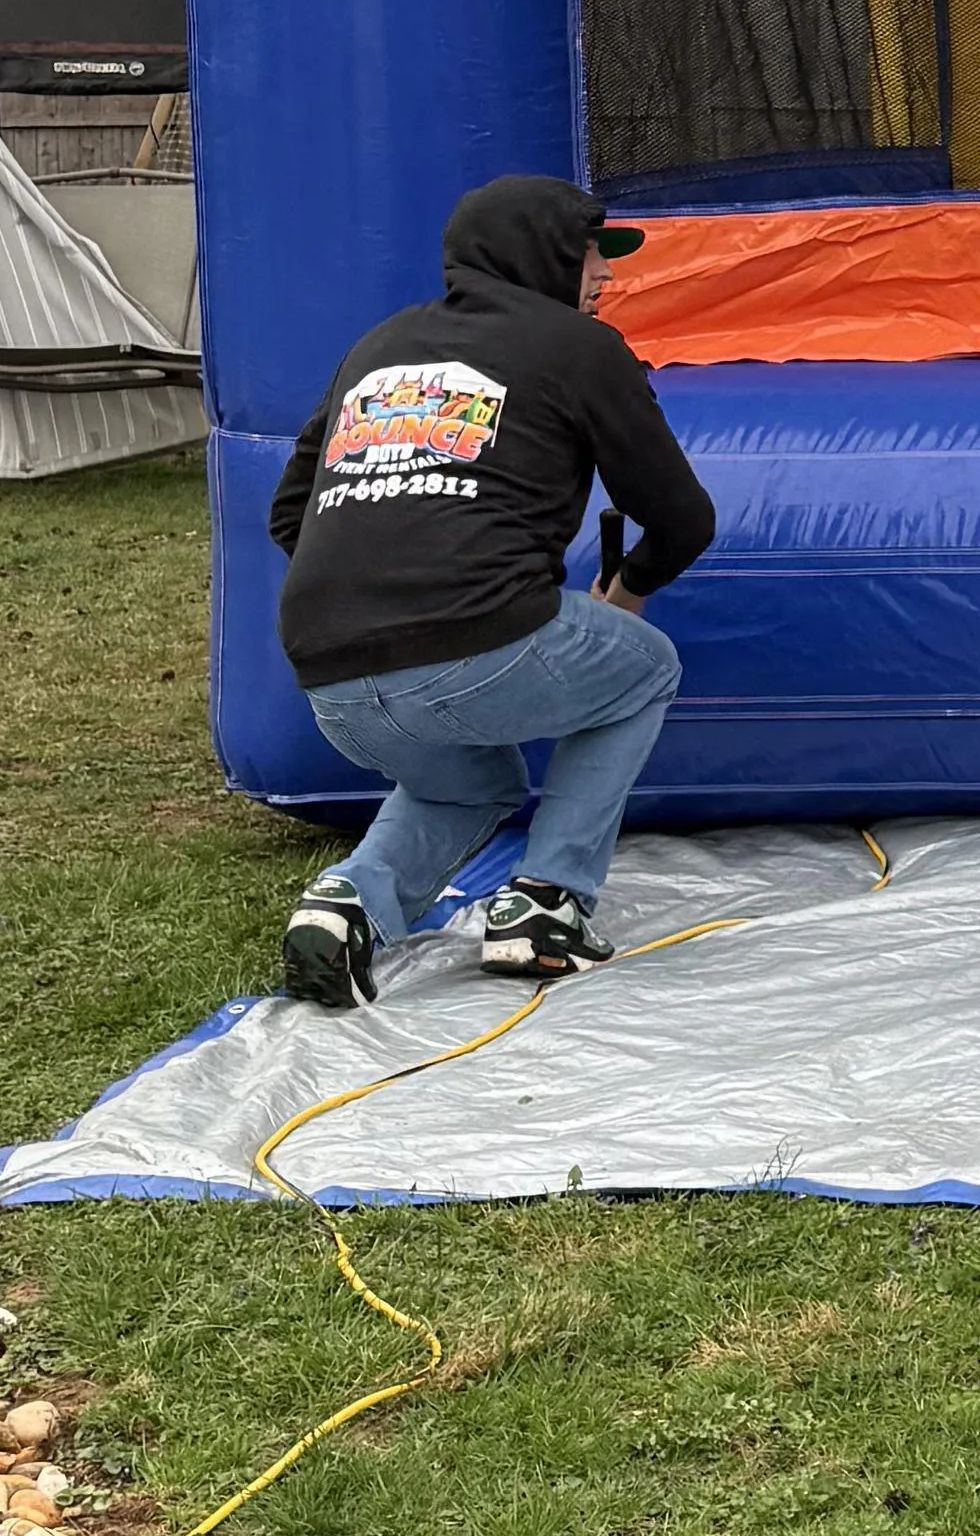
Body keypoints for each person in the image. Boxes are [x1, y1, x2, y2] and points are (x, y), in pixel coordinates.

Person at [267, 173, 715, 1005]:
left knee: (470, 783)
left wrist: (374, 583)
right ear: (543, 253)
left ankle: (346, 905)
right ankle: (547, 904)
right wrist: (627, 588)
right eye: (591, 256)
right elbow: (684, 518)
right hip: (475, 642)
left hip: (326, 671)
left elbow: (291, 511)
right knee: (643, 664)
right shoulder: (578, 348)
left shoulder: (380, 347)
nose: (606, 279)